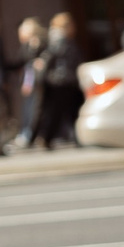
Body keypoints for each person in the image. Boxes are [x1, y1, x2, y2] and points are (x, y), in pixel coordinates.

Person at [33, 11, 85, 148]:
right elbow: (49, 60)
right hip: (60, 81)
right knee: (58, 112)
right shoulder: (59, 39)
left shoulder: (62, 39)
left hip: (65, 80)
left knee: (68, 111)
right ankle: (46, 138)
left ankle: (74, 137)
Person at [10, 17, 47, 153]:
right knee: (27, 109)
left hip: (37, 82)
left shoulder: (40, 43)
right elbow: (21, 63)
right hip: (28, 82)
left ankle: (31, 135)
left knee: (35, 110)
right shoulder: (26, 46)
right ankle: (26, 134)